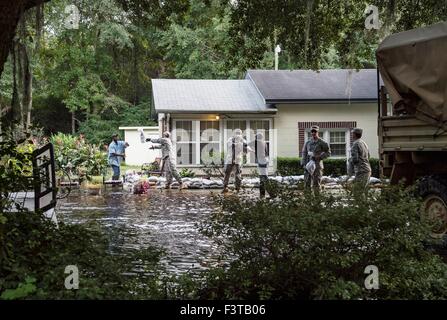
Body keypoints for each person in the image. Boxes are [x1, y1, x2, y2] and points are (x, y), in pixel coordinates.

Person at [301, 125, 331, 194]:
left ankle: (317, 202)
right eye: (312, 131)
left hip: (317, 166)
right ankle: (308, 201)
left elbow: (328, 153)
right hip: (308, 165)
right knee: (307, 184)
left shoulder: (322, 142)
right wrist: (303, 163)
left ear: (317, 132)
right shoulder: (308, 143)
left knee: (316, 184)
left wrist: (319, 157)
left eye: (315, 131)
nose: (313, 133)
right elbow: (304, 153)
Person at [223, 129, 253, 193]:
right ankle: (225, 187)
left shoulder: (243, 140)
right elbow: (231, 145)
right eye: (236, 133)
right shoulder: (230, 139)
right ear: (234, 134)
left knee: (238, 174)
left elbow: (247, 147)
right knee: (227, 173)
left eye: (239, 133)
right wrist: (238, 144)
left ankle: (237, 188)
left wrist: (250, 150)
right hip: (230, 159)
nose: (238, 134)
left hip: (238, 160)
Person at [348, 128, 371, 195]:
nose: (352, 135)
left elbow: (355, 159)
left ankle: (362, 205)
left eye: (353, 133)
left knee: (357, 193)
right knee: (364, 192)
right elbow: (368, 156)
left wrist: (350, 161)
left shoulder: (355, 144)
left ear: (354, 134)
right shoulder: (364, 143)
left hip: (361, 171)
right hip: (367, 170)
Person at [249, 132, 270, 198]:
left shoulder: (256, 142)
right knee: (263, 177)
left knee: (264, 178)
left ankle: (271, 193)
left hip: (261, 160)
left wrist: (251, 150)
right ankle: (262, 194)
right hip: (266, 160)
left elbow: (246, 144)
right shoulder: (264, 142)